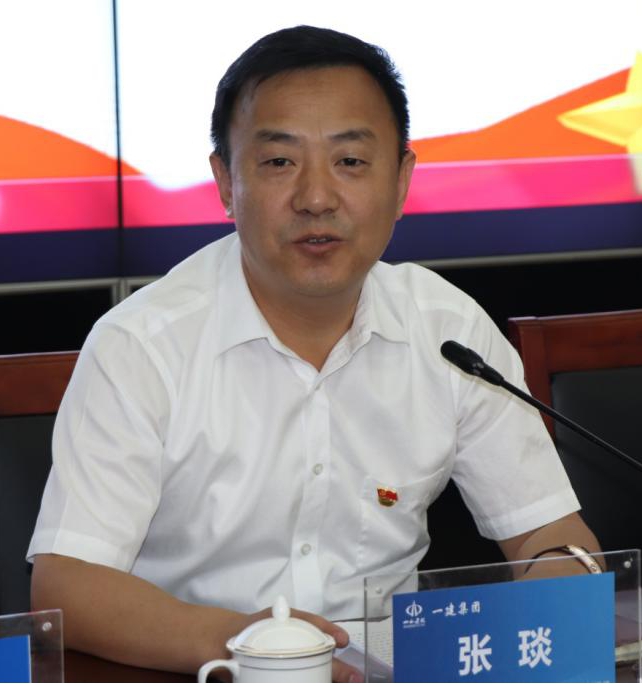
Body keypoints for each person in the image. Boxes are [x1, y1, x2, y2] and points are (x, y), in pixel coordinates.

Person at [29, 25, 602, 680]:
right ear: (225, 181)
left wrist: (555, 604)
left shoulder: (448, 332)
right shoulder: (142, 345)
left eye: (350, 161)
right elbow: (68, 586)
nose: (317, 198)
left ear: (401, 180)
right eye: (279, 162)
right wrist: (253, 648)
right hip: (193, 670)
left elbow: (548, 536)